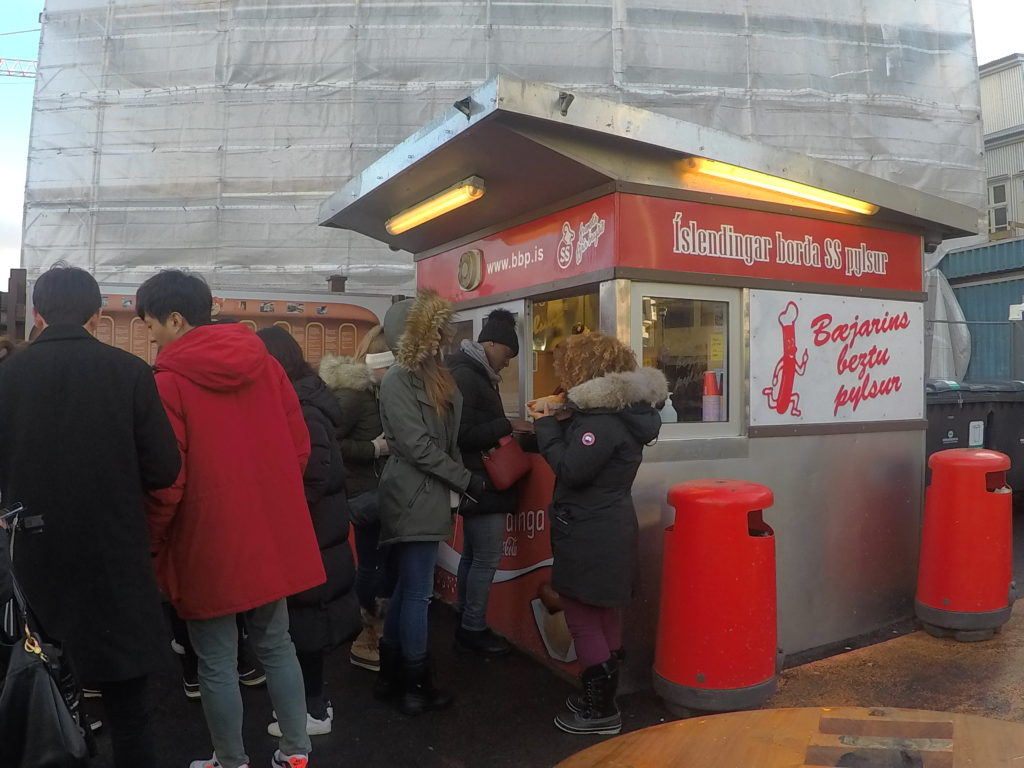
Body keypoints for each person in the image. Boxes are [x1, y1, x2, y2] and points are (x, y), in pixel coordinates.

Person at [137, 270, 325, 768]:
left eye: (150, 324)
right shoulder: (267, 366)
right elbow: (299, 447)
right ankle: (296, 753)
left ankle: (231, 760)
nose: (150, 336)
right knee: (277, 643)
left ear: (176, 320)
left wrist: (152, 540)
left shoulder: (168, 384)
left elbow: (168, 481)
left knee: (216, 660)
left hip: (206, 541)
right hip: (270, 532)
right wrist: (269, 498)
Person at [0, 264, 181, 767]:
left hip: (33, 560)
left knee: (42, 696)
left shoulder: (6, 376)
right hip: (113, 555)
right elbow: (165, 469)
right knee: (130, 712)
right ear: (97, 316)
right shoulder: (130, 372)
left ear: (37, 315)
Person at [528, 332, 667, 736]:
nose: (561, 376)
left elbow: (572, 469)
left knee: (582, 617)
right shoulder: (622, 412)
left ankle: (600, 712)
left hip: (591, 531)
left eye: (565, 368)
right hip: (610, 525)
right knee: (604, 612)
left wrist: (545, 425)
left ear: (584, 371)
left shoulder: (601, 422)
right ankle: (604, 698)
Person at [375, 290, 485, 716]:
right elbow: (417, 445)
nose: (441, 337)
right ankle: (415, 684)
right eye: (432, 330)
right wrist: (466, 480)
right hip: (412, 494)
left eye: (441, 329)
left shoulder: (433, 374)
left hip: (429, 492)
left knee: (409, 587)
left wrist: (457, 486)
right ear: (414, 334)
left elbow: (443, 439)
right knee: (419, 593)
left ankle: (392, 676)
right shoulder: (398, 379)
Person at [257, 327, 361, 736]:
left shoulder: (301, 407)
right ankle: (308, 704)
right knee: (305, 622)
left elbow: (313, 475)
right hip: (318, 532)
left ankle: (313, 711)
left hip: (312, 533)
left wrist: (273, 502)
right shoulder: (304, 398)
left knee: (307, 624)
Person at [447, 308, 533, 656]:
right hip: (482, 482)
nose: (508, 364)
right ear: (492, 344)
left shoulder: (472, 372)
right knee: (485, 558)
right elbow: (463, 434)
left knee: (472, 555)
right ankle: (473, 627)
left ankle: (464, 618)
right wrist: (507, 425)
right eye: (508, 354)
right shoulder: (469, 377)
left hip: (476, 481)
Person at [318, 325, 396, 672]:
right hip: (365, 493)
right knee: (370, 564)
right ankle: (366, 632)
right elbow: (328, 443)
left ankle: (374, 629)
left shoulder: (374, 392)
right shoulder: (354, 394)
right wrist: (373, 449)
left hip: (377, 490)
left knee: (378, 561)